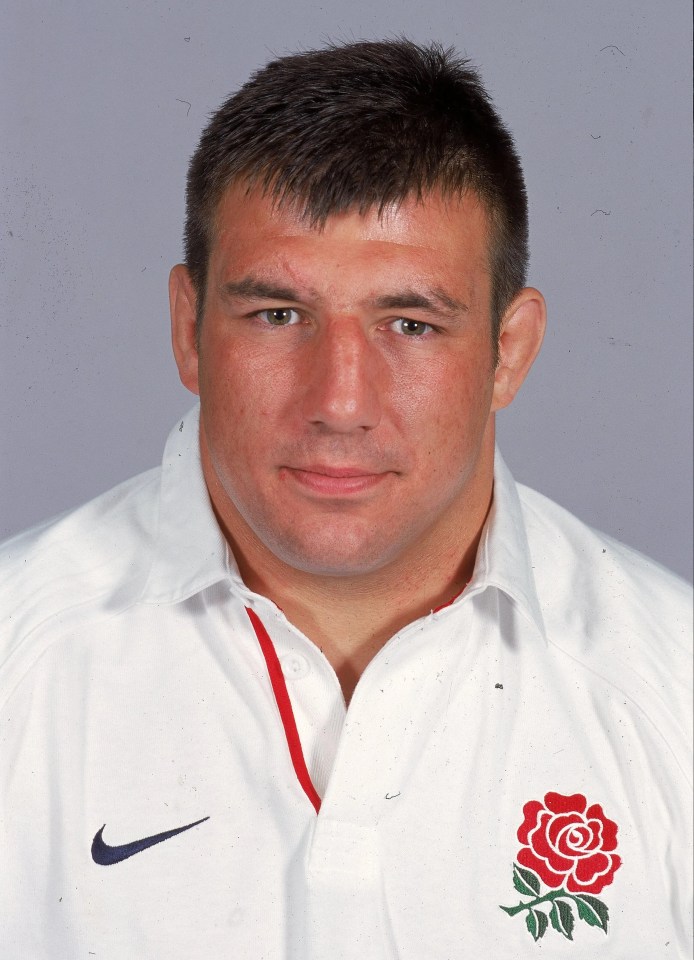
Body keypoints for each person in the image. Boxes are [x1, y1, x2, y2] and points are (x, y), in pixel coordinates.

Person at [0, 39, 691, 960]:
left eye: (410, 323)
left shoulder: (672, 690)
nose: (339, 402)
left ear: (509, 351)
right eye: (277, 315)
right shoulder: (19, 661)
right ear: (189, 330)